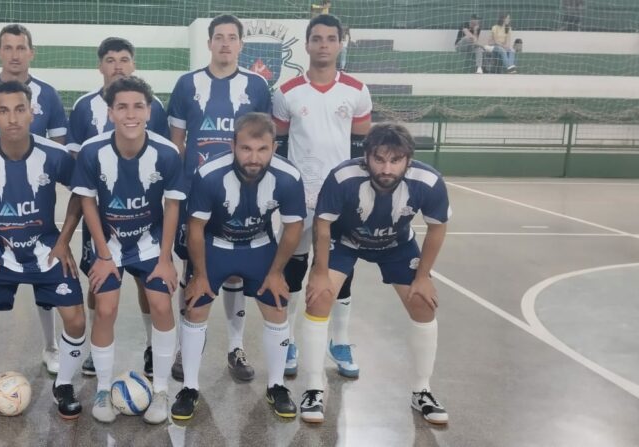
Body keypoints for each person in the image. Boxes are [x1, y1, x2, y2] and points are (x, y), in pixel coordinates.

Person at [300, 123, 451, 425]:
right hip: (344, 241)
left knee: (422, 303)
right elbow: (323, 224)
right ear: (366, 156)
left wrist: (423, 276)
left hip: (397, 245)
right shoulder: (343, 177)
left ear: (408, 160)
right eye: (379, 159)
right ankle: (313, 388)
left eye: (395, 160)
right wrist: (318, 271)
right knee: (319, 298)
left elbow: (437, 228)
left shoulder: (429, 181)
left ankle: (421, 390)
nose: (386, 168)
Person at [0, 80, 86, 421]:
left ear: (31, 113)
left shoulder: (55, 156)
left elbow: (82, 193)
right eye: (3, 111)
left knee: (76, 320)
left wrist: (64, 240)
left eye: (19, 109)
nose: (12, 118)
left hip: (46, 252)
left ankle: (65, 385)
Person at [172, 112, 305, 421]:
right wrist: (200, 275)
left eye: (262, 149)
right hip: (214, 245)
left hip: (259, 246)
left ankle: (277, 386)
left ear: (274, 147)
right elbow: (195, 228)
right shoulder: (209, 174)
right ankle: (189, 387)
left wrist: (275, 273)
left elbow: (294, 227)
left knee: (277, 304)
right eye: (246, 148)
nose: (254, 158)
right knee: (195, 305)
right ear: (233, 145)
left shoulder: (288, 176)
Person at [166, 14, 272, 383]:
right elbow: (175, 145)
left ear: (241, 44)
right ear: (209, 43)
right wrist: (176, 191)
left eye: (232, 38)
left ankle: (236, 347)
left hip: (242, 194)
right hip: (196, 193)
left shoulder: (256, 86)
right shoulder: (187, 84)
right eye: (219, 37)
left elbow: (264, 141)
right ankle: (184, 345)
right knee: (191, 269)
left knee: (236, 272)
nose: (225, 43)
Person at [0, 25, 70, 376]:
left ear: (31, 52)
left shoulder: (48, 95)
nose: (15, 54)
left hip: (37, 202)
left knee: (45, 272)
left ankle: (51, 347)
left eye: (21, 47)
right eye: (8, 47)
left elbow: (61, 148)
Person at [72, 76, 183, 425]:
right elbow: (87, 204)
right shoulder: (92, 151)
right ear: (110, 112)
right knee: (105, 308)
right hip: (109, 243)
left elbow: (173, 206)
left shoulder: (166, 152)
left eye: (138, 106)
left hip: (150, 242)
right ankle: (104, 388)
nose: (130, 114)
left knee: (162, 302)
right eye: (122, 107)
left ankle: (162, 389)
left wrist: (165, 260)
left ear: (149, 111)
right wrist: (103, 255)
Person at [273, 14, 372, 383]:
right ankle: (287, 341)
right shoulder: (286, 92)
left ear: (341, 43)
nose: (324, 45)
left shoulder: (357, 90)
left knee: (341, 272)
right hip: (299, 198)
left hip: (342, 199)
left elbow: (362, 147)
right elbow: (279, 149)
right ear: (307, 43)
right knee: (294, 269)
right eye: (317, 38)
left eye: (331, 38)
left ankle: (340, 341)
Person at [68, 37, 170, 379]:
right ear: (100, 65)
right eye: (110, 60)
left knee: (150, 287)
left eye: (124, 59)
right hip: (102, 214)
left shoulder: (153, 110)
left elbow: (162, 163)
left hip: (145, 222)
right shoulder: (84, 108)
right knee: (99, 282)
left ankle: (153, 348)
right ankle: (95, 356)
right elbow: (75, 162)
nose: (117, 65)